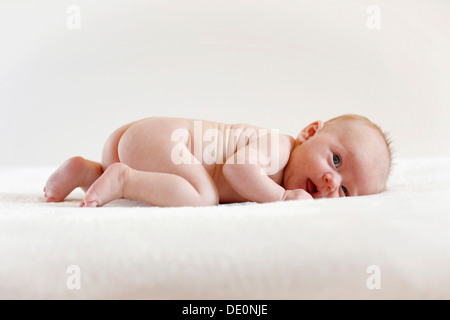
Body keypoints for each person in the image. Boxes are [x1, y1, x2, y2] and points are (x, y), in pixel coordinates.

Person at [44, 114, 391, 207]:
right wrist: (282, 197)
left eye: (345, 191)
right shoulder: (279, 147)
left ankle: (88, 172)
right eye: (335, 160)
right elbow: (237, 168)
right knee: (203, 196)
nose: (332, 181)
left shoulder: (289, 160)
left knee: (164, 189)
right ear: (309, 132)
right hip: (164, 139)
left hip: (140, 142)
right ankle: (122, 178)